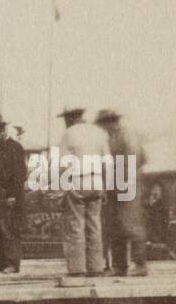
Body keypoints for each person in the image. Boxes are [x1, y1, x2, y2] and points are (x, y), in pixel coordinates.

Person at [58, 106, 110, 276]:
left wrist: (62, 188)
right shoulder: (98, 133)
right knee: (95, 225)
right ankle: (96, 267)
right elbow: (106, 162)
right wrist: (104, 186)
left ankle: (77, 269)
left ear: (69, 119)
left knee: (75, 225)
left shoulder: (69, 134)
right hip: (96, 180)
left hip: (78, 180)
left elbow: (63, 164)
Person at [96, 109, 148, 276]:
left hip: (126, 184)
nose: (104, 127)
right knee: (115, 227)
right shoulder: (113, 138)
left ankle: (140, 265)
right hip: (116, 186)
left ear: (112, 122)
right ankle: (120, 267)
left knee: (131, 226)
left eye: (105, 123)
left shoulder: (126, 137)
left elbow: (138, 159)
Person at [0, 117, 26, 273]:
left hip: (8, 195)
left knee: (9, 229)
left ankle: (12, 263)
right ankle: (0, 262)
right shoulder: (0, 149)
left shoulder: (14, 147)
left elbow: (18, 174)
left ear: (3, 132)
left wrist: (12, 195)